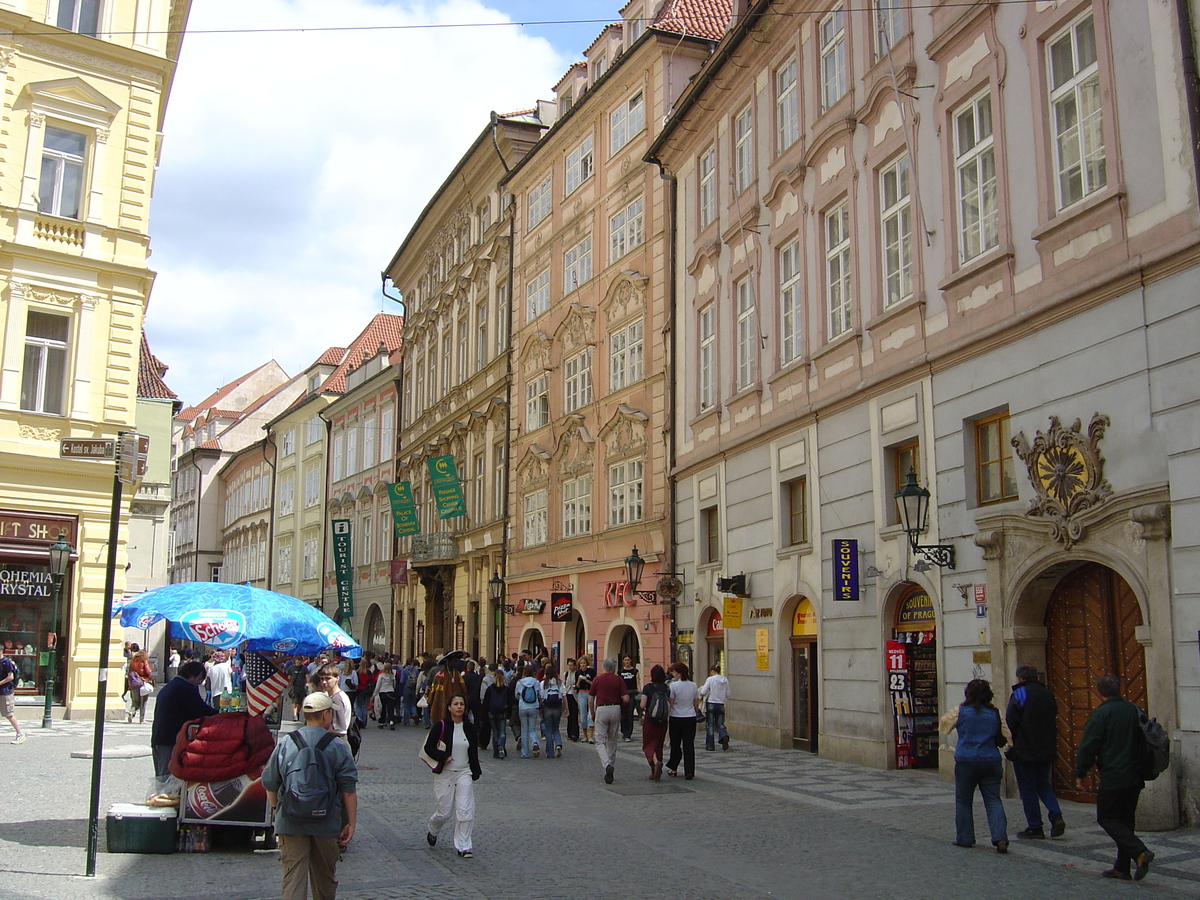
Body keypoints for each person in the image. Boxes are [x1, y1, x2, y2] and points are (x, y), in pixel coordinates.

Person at [262, 691, 358, 900]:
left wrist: (276, 809)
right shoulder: (337, 746)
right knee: (325, 879)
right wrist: (351, 822)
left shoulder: (286, 743)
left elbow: (269, 781)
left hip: (291, 820)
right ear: (325, 715)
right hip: (326, 821)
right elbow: (348, 789)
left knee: (293, 879)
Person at [1074, 674, 1155, 881]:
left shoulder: (1102, 714)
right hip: (1135, 774)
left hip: (1114, 775)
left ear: (1099, 692)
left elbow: (1088, 746)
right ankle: (1122, 867)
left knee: (1107, 817)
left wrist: (1080, 773)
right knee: (1125, 821)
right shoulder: (1133, 709)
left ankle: (1140, 852)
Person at [941, 678, 1010, 853]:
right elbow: (1007, 735)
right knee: (993, 800)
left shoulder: (961, 710)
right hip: (990, 760)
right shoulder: (995, 713)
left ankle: (965, 838)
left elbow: (944, 724)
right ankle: (1000, 838)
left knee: (964, 800)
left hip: (967, 760)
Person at [1005, 665, 1065, 839]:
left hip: (1025, 747)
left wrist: (1017, 737)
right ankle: (1056, 814)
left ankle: (1035, 826)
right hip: (1046, 746)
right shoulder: (1047, 693)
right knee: (1042, 783)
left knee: (1027, 788)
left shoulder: (1020, 693)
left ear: (1021, 678)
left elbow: (1011, 718)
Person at [423, 692, 482, 858]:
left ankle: (464, 846)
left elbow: (473, 751)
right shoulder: (441, 726)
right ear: (449, 707)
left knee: (465, 809)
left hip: (464, 772)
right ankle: (433, 830)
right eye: (456, 704)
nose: (459, 707)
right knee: (444, 811)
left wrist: (475, 770)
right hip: (445, 774)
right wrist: (444, 757)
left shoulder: (469, 728)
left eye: (462, 704)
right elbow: (429, 748)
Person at [151, 660, 217, 777]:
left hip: (160, 736)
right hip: (168, 739)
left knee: (163, 775)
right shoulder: (184, 688)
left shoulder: (174, 685)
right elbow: (200, 710)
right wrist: (221, 715)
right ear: (191, 675)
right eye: (199, 679)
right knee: (166, 777)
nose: (199, 683)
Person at [589, 657, 628, 784]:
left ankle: (607, 765)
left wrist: (592, 712)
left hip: (602, 709)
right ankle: (610, 764)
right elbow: (626, 698)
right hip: (615, 708)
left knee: (599, 741)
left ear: (604, 667)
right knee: (612, 740)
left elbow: (591, 699)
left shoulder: (597, 679)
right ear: (614, 668)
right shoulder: (619, 679)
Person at [665, 662, 700, 780]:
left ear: (679, 673)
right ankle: (689, 771)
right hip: (690, 717)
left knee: (675, 744)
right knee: (689, 745)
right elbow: (696, 702)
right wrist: (694, 711)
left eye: (675, 672)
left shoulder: (673, 686)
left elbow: (671, 702)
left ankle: (673, 768)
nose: (673, 675)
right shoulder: (693, 685)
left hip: (676, 717)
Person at [640, 665, 670, 779]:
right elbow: (670, 703)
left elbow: (643, 704)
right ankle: (655, 771)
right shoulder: (666, 688)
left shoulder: (648, 687)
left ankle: (655, 763)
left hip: (650, 719)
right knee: (659, 744)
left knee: (648, 744)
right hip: (663, 720)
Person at [316, 663, 353, 747]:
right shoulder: (337, 695)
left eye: (328, 678)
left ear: (337, 678)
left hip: (338, 743)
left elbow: (340, 730)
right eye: (322, 679)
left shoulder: (336, 699)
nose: (324, 682)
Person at [698, 664, 730, 751]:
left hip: (711, 703)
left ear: (712, 671)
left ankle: (710, 745)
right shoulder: (725, 680)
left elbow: (704, 691)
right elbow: (728, 694)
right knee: (720, 724)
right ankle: (724, 735)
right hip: (721, 704)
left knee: (710, 724)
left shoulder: (710, 679)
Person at [514, 664, 541, 759]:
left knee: (524, 730)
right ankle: (535, 742)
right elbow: (538, 694)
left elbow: (516, 696)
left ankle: (525, 753)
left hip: (523, 707)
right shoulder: (536, 682)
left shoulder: (520, 682)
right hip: (533, 707)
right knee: (532, 729)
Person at [539, 665, 565, 759]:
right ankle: (558, 744)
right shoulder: (559, 683)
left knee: (548, 730)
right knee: (556, 728)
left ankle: (550, 752)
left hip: (547, 707)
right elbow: (564, 695)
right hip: (557, 707)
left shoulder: (543, 683)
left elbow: (541, 697)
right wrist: (566, 708)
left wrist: (540, 708)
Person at [483, 668, 509, 759]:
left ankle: (496, 752)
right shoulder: (506, 689)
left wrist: (484, 714)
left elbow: (486, 702)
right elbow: (509, 701)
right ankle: (501, 745)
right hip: (502, 712)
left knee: (495, 732)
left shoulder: (490, 689)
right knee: (502, 732)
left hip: (492, 712)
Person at [0, 652, 25, 744]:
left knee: (8, 714)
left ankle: (20, 734)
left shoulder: (6, 662)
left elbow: (10, 677)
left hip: (5, 692)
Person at [127, 649, 153, 724]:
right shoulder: (143, 661)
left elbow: (129, 671)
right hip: (142, 682)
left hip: (134, 683)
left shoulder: (133, 661)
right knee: (143, 702)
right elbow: (147, 671)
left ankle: (131, 712)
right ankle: (141, 719)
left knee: (135, 701)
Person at [618, 656, 639, 741]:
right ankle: (623, 731)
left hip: (632, 693)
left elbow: (638, 682)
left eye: (628, 660)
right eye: (625, 660)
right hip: (623, 693)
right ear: (623, 661)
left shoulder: (634, 671)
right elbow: (618, 683)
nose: (627, 661)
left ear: (631, 661)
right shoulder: (620, 671)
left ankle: (628, 734)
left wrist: (639, 691)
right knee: (623, 715)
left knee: (630, 715)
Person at [577, 655, 594, 743]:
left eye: (584, 663)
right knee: (583, 715)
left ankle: (591, 736)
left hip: (590, 692)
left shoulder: (591, 671)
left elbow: (593, 683)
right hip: (582, 693)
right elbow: (577, 686)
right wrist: (579, 680)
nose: (582, 665)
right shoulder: (578, 672)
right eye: (581, 663)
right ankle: (585, 735)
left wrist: (586, 680)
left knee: (591, 715)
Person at [375, 660, 396, 729]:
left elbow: (378, 685)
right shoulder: (392, 676)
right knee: (390, 708)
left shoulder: (381, 675)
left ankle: (382, 722)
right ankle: (391, 721)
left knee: (383, 707)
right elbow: (394, 685)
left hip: (383, 692)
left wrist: (375, 693)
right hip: (390, 692)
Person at [287, 657, 310, 722]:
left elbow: (307, 676)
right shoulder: (291, 668)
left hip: (301, 687)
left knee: (299, 703)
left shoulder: (304, 668)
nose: (298, 663)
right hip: (294, 687)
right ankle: (294, 715)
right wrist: (288, 685)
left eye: (300, 662)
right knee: (294, 701)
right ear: (295, 661)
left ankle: (297, 713)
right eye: (297, 662)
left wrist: (308, 683)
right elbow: (289, 677)